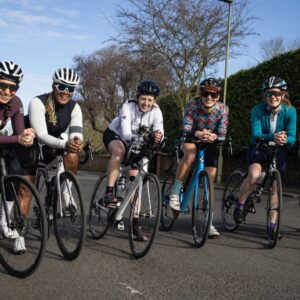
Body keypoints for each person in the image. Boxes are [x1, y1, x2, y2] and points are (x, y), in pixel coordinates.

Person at [233, 76, 297, 236]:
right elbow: (256, 134)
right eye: (269, 94)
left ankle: (272, 224)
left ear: (282, 95)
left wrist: (285, 139)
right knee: (254, 175)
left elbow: (292, 136)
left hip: (278, 149)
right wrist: (272, 137)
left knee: (275, 188)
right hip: (259, 147)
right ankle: (240, 204)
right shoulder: (257, 110)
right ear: (265, 96)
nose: (273, 97)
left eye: (276, 93)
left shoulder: (290, 111)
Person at [102, 79, 164, 241]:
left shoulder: (156, 112)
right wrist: (144, 136)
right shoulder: (127, 107)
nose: (146, 103)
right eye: (143, 98)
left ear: (154, 101)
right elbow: (126, 133)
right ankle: (109, 192)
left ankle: (136, 225)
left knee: (136, 183)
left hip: (139, 143)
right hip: (117, 136)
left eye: (150, 100)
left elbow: (160, 132)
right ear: (137, 97)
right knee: (119, 152)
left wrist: (158, 136)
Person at [168, 78, 229, 238]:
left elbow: (222, 133)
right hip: (191, 137)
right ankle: (175, 191)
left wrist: (213, 136)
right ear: (201, 94)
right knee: (190, 153)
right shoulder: (192, 105)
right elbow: (186, 128)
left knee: (210, 178)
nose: (209, 97)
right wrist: (198, 133)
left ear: (218, 96)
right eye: (206, 93)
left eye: (213, 94)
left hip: (210, 140)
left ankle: (208, 220)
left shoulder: (223, 109)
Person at [0, 60, 36, 253]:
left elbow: (19, 134)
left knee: (17, 162)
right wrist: (17, 138)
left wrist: (27, 138)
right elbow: (15, 138)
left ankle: (6, 221)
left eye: (12, 88)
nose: (6, 91)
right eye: (2, 85)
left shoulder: (16, 103)